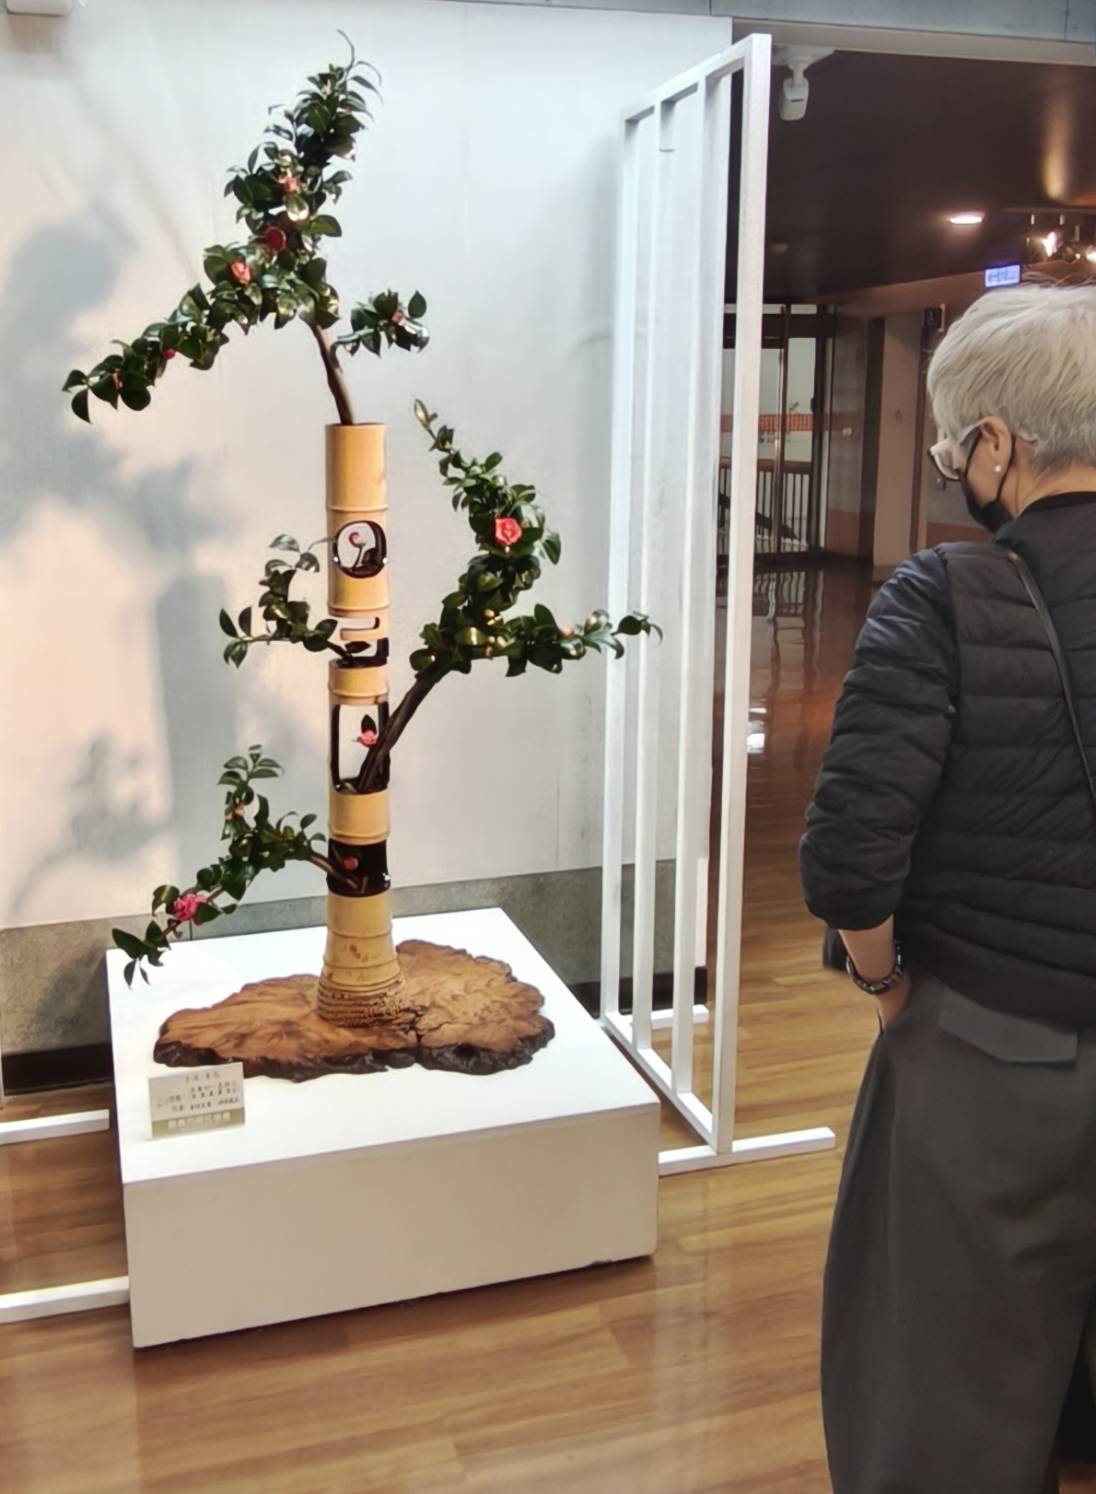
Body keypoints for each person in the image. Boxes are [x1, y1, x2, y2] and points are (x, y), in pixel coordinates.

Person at [800, 281, 1096, 1494]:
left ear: (995, 444)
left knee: (939, 1389)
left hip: (989, 1046)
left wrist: (883, 985)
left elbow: (850, 856)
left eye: (949, 449)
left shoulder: (941, 598)